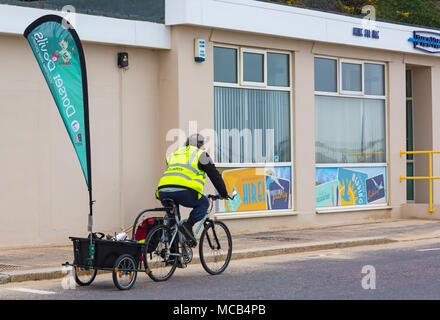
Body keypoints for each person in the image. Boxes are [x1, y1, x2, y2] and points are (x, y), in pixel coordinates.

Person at [156, 133, 229, 247]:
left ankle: (172, 256)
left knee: (173, 221)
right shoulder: (201, 154)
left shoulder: (174, 154)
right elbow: (215, 175)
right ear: (200, 145)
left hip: (163, 191)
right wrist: (224, 193)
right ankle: (188, 225)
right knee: (204, 203)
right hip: (184, 191)